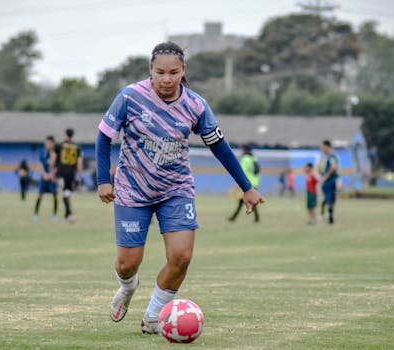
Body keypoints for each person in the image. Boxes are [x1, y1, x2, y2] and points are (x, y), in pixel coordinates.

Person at [96, 41, 264, 334]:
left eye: (173, 72)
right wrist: (103, 180)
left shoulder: (196, 105)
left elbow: (220, 148)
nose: (166, 79)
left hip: (176, 189)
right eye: (160, 72)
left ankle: (152, 317)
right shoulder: (129, 97)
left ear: (183, 70)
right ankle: (128, 286)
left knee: (182, 258)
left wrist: (246, 187)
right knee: (127, 264)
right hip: (132, 190)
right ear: (150, 70)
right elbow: (103, 137)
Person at [52, 128, 83, 223]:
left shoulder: (59, 146)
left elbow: (53, 161)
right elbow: (79, 163)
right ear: (72, 135)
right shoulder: (77, 147)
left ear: (65, 134)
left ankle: (70, 214)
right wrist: (79, 176)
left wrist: (53, 173)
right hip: (71, 173)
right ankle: (67, 216)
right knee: (67, 193)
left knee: (65, 194)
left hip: (61, 173)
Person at [228, 145, 261, 222]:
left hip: (247, 184)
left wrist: (240, 183)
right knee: (249, 200)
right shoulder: (254, 158)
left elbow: (242, 172)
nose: (241, 151)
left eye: (242, 150)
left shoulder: (245, 159)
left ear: (245, 150)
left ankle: (233, 218)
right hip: (255, 182)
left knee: (245, 201)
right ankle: (256, 218)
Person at [33, 136, 58, 222]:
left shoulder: (55, 153)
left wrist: (52, 174)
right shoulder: (42, 152)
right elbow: (40, 164)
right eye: (45, 143)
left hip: (52, 178)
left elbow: (57, 165)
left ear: (52, 144)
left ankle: (54, 215)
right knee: (40, 195)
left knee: (54, 196)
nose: (46, 144)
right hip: (44, 177)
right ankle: (35, 214)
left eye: (48, 143)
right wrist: (44, 174)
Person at [319, 140, 339, 224]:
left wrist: (325, 177)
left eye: (323, 147)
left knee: (329, 199)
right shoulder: (327, 157)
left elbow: (333, 167)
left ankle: (329, 217)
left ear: (327, 147)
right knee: (328, 199)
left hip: (329, 181)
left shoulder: (331, 156)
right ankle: (325, 214)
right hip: (329, 181)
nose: (322, 149)